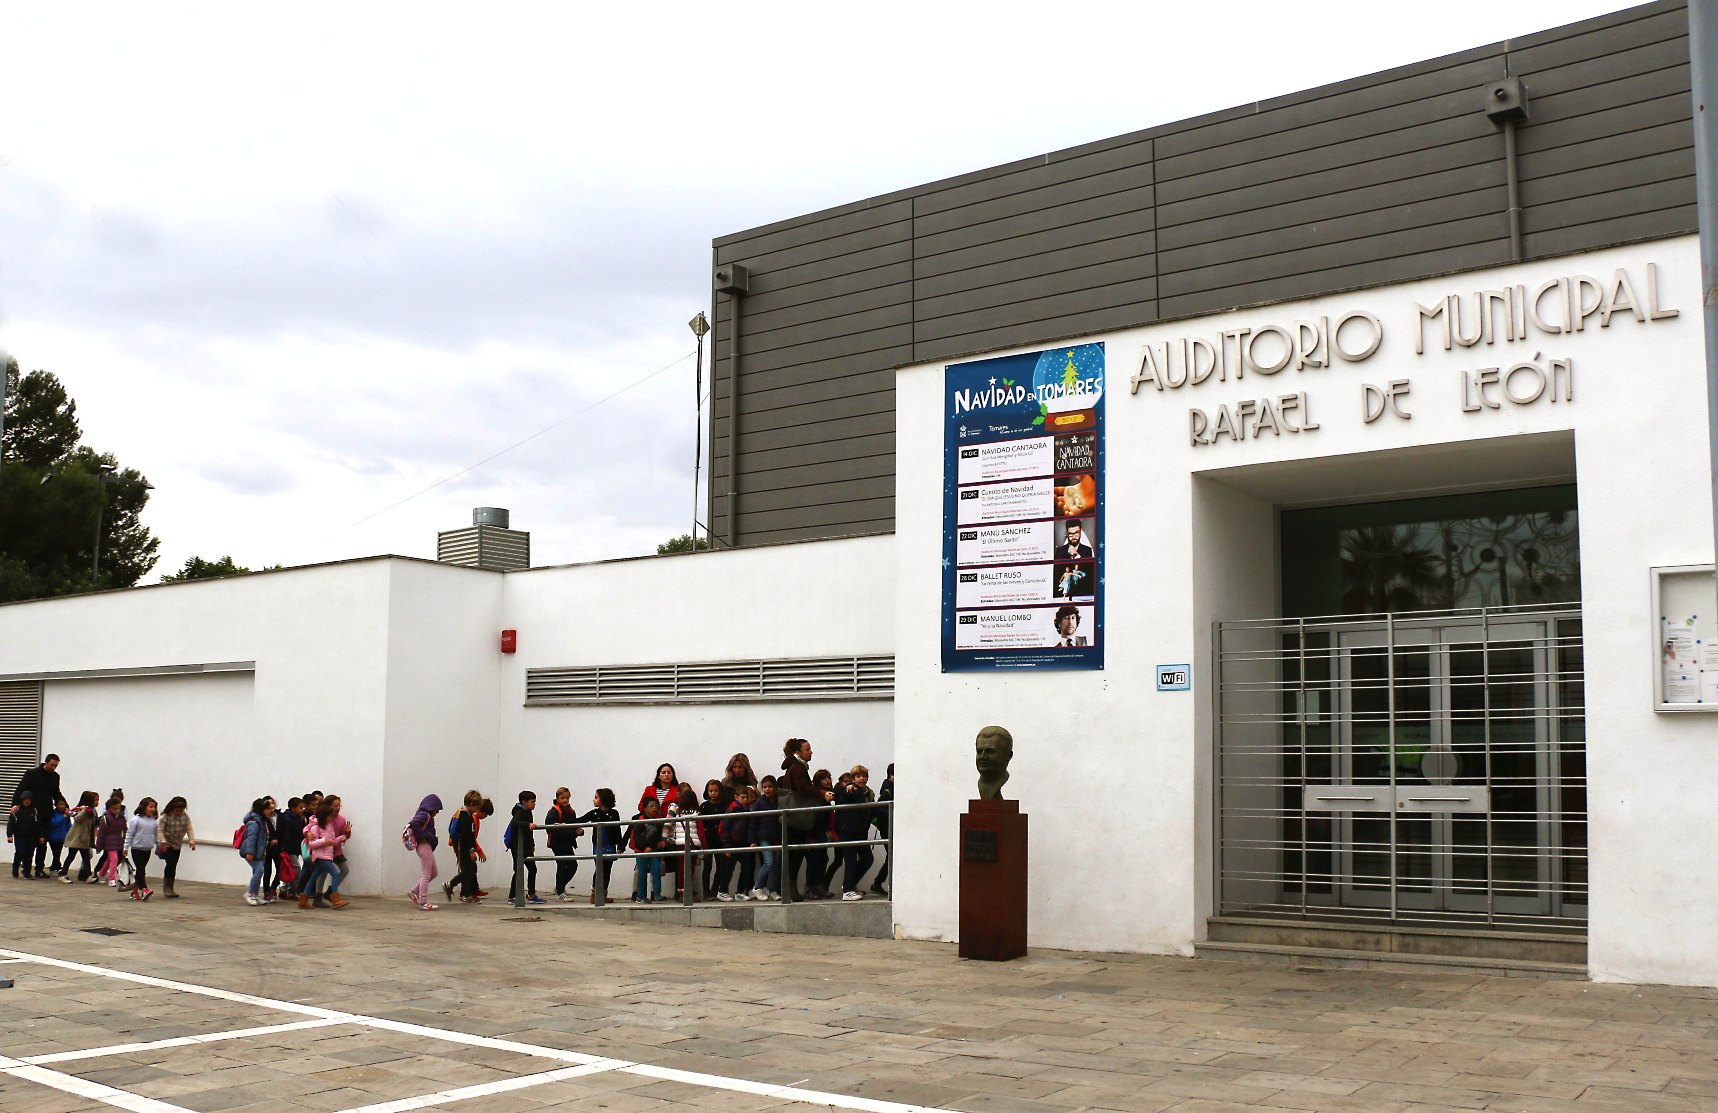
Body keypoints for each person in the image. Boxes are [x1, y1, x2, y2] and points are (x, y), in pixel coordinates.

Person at [779, 737, 824, 902]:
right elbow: (802, 787)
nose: (811, 752)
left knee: (796, 855)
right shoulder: (798, 768)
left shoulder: (795, 766)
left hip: (795, 818)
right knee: (795, 855)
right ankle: (790, 890)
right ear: (798, 752)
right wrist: (820, 792)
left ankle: (791, 889)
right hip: (796, 818)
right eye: (808, 749)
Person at [12, 754, 67, 877]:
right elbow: (20, 789)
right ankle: (24, 866)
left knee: (43, 842)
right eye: (52, 765)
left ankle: (39, 869)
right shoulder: (32, 773)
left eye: (56, 766)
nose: (54, 768)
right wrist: (15, 805)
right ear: (46, 762)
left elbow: (56, 793)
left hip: (46, 813)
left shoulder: (55, 777)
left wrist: (65, 806)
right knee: (30, 842)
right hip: (31, 813)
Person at [296, 802, 349, 910]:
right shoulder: (315, 828)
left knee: (313, 878)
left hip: (327, 856)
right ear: (324, 816)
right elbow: (312, 844)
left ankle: (303, 901)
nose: (331, 819)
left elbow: (332, 841)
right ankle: (335, 899)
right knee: (335, 874)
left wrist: (341, 838)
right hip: (320, 857)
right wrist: (324, 841)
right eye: (330, 816)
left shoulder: (329, 827)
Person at [836, 766, 876, 901]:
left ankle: (850, 884)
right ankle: (847, 890)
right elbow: (842, 798)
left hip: (861, 832)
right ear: (853, 779)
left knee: (868, 859)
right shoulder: (851, 790)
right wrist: (848, 789)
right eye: (858, 776)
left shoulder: (869, 793)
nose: (861, 778)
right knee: (850, 860)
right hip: (848, 831)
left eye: (863, 776)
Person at [576, 788, 621, 903]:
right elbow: (581, 819)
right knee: (600, 868)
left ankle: (604, 893)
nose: (594, 800)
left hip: (609, 844)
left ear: (604, 799)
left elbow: (617, 830)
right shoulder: (594, 813)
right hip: (598, 845)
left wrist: (620, 846)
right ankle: (594, 893)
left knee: (608, 869)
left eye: (596, 797)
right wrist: (565, 822)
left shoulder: (614, 813)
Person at [713, 785, 756, 901]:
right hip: (731, 844)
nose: (745, 800)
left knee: (747, 868)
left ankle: (740, 892)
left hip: (743, 843)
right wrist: (727, 846)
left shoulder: (747, 810)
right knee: (727, 869)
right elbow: (724, 828)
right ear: (736, 797)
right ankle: (722, 891)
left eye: (747, 798)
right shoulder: (731, 810)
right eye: (743, 797)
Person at [404, 793, 441, 910]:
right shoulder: (425, 815)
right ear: (431, 807)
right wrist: (423, 837)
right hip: (424, 846)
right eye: (436, 809)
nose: (437, 812)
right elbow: (413, 823)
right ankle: (423, 902)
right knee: (426, 874)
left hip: (425, 847)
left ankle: (414, 892)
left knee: (433, 872)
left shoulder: (424, 815)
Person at [544, 787, 581, 902]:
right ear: (557, 798)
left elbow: (573, 825)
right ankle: (560, 891)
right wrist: (573, 832)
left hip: (568, 843)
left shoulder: (571, 811)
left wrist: (578, 832)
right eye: (562, 798)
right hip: (557, 843)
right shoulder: (554, 811)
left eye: (567, 798)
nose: (565, 800)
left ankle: (560, 887)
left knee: (573, 866)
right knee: (562, 865)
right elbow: (550, 828)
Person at [748, 775, 782, 901]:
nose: (767, 789)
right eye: (765, 787)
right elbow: (753, 823)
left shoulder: (780, 802)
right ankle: (757, 887)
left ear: (775, 788)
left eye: (770, 787)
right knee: (769, 862)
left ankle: (772, 889)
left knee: (776, 864)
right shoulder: (759, 804)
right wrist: (752, 840)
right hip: (764, 838)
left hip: (777, 837)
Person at [508, 791, 545, 905]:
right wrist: (527, 825)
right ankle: (513, 895)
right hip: (517, 847)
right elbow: (516, 822)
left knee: (532, 869)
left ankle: (531, 894)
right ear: (524, 802)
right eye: (532, 802)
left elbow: (529, 833)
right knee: (518, 870)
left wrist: (532, 844)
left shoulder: (528, 811)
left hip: (527, 846)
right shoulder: (519, 812)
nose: (534, 804)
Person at [628, 797, 667, 903]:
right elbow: (637, 837)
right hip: (641, 851)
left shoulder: (658, 821)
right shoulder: (640, 820)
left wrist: (658, 844)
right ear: (644, 808)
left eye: (656, 806)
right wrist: (644, 847)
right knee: (642, 872)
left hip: (654, 850)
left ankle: (657, 894)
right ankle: (640, 896)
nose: (654, 808)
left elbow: (658, 836)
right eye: (651, 806)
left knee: (656, 870)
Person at [157, 796, 196, 899]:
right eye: (177, 810)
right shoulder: (165, 817)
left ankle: (171, 886)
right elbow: (160, 830)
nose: (179, 812)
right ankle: (167, 888)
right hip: (167, 843)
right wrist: (163, 842)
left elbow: (189, 828)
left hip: (177, 844)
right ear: (172, 808)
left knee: (174, 865)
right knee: (171, 863)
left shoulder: (185, 816)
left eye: (181, 810)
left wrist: (191, 840)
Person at [122, 797, 159, 900]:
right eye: (150, 807)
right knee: (141, 869)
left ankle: (134, 892)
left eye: (154, 807)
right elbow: (130, 834)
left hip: (147, 849)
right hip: (137, 849)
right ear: (143, 807)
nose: (153, 809)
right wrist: (125, 847)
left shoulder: (154, 821)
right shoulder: (135, 820)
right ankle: (144, 889)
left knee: (140, 871)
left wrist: (159, 845)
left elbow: (156, 835)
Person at [238, 798, 273, 905]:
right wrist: (250, 853)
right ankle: (250, 893)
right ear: (261, 810)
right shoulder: (254, 822)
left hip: (260, 852)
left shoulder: (262, 821)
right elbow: (251, 838)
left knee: (257, 872)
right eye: (268, 809)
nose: (270, 811)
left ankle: (255, 895)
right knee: (259, 871)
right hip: (252, 852)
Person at [62, 790, 99, 883]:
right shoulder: (84, 810)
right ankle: (63, 874)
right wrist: (83, 810)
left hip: (84, 839)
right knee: (71, 856)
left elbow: (94, 824)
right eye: (95, 800)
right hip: (76, 838)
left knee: (86, 857)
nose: (97, 802)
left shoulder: (93, 811)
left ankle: (88, 876)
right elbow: (77, 819)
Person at [696, 780, 725, 899]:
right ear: (707, 792)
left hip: (720, 840)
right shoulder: (704, 806)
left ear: (720, 791)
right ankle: (706, 891)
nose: (713, 793)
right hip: (707, 840)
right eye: (710, 791)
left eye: (716, 791)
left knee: (720, 866)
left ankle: (715, 888)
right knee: (707, 867)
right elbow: (699, 824)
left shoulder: (724, 806)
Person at [8, 790, 43, 879]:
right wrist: (9, 835)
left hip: (32, 836)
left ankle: (27, 873)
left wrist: (41, 835)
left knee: (29, 854)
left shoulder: (34, 811)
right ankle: (15, 867)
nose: (27, 801)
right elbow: (11, 823)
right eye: (25, 799)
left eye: (29, 800)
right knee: (20, 852)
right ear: (22, 800)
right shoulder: (17, 810)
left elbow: (38, 824)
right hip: (20, 836)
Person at [275, 798, 306, 897]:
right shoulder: (286, 818)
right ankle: (296, 890)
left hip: (296, 847)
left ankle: (285, 889)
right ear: (293, 808)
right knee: (297, 869)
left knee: (290, 870)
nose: (303, 809)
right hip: (288, 848)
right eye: (300, 808)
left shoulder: (299, 818)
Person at [871, 764, 894, 896]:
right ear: (890, 776)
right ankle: (878, 883)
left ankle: (878, 882)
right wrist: (893, 814)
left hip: (890, 827)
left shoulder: (894, 788)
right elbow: (878, 809)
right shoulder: (887, 791)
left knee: (891, 857)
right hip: (887, 828)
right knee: (892, 856)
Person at [95, 796, 128, 886]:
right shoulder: (105, 818)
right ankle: (111, 878)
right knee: (114, 859)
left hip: (119, 841)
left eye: (118, 808)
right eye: (114, 809)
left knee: (109, 860)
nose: (117, 810)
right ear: (109, 808)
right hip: (109, 842)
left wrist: (125, 840)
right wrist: (99, 846)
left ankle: (101, 873)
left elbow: (125, 829)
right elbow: (101, 834)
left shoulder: (122, 818)